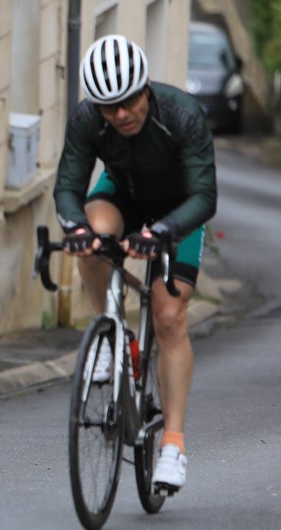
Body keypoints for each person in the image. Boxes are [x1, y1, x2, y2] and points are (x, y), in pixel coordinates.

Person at [54, 34, 217, 493]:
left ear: (145, 88)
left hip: (179, 209)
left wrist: (162, 233)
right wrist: (75, 228)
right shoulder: (88, 118)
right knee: (91, 238)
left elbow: (205, 196)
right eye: (109, 108)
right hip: (122, 193)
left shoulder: (182, 115)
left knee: (169, 318)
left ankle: (173, 445)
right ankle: (110, 335)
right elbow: (68, 186)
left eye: (128, 101)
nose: (121, 114)